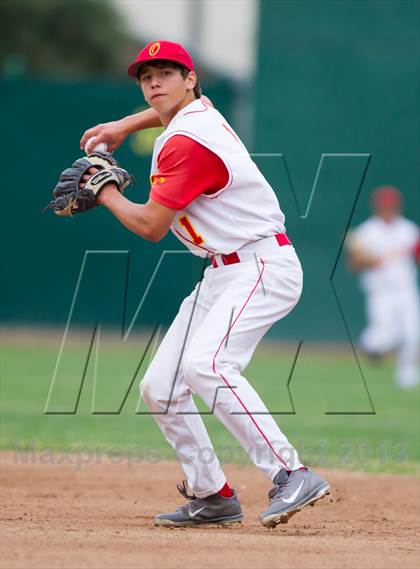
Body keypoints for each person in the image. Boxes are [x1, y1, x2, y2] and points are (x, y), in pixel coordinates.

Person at [80, 40, 330, 528]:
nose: (153, 83)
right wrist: (123, 124)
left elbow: (152, 226)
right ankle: (212, 494)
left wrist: (104, 190)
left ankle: (291, 473)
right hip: (225, 270)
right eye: (145, 77)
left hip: (260, 266)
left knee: (207, 366)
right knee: (162, 386)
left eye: (165, 73)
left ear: (190, 78)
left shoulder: (188, 142)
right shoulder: (199, 115)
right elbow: (166, 113)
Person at [347, 186, 419, 388]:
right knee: (384, 337)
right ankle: (371, 344)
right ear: (377, 207)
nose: (388, 209)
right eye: (384, 206)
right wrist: (368, 261)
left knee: (413, 333)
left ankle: (407, 376)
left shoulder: (409, 230)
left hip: (406, 289)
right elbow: (354, 265)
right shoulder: (366, 232)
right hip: (380, 293)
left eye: (391, 206)